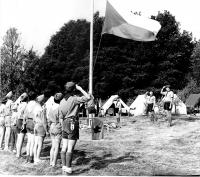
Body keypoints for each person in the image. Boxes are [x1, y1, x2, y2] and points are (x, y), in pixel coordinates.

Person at [58, 82, 90, 174]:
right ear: (74, 89)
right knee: (70, 148)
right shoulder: (74, 99)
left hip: (64, 122)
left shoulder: (62, 100)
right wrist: (80, 89)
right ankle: (68, 167)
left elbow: (60, 115)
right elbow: (88, 97)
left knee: (64, 146)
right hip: (72, 122)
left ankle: (64, 166)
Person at [48, 93, 63, 167]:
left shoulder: (51, 107)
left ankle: (51, 161)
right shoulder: (60, 108)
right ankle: (54, 163)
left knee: (53, 146)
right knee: (57, 147)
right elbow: (61, 120)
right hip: (57, 127)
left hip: (51, 127)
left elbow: (48, 119)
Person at [23, 91, 37, 163]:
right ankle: (31, 158)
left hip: (27, 122)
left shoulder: (27, 104)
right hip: (33, 122)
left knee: (29, 141)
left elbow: (24, 115)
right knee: (33, 142)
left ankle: (27, 157)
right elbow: (35, 116)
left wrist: (24, 123)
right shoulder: (36, 105)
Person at [16, 93, 28, 158]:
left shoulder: (19, 104)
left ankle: (18, 153)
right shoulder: (26, 105)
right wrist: (24, 123)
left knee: (18, 138)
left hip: (18, 120)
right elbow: (25, 114)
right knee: (21, 138)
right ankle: (18, 154)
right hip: (22, 121)